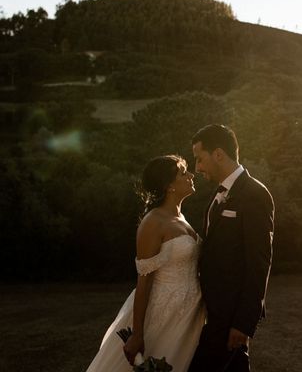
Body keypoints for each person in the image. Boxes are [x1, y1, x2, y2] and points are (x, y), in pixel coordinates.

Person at [87, 155, 205, 372]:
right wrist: (138, 333)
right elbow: (144, 281)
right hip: (161, 314)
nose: (191, 175)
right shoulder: (152, 222)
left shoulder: (180, 217)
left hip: (188, 314)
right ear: (169, 185)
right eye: (183, 172)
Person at [188, 124, 274, 372]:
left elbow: (259, 262)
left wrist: (244, 323)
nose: (197, 168)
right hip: (214, 311)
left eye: (199, 159)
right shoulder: (218, 194)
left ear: (218, 154)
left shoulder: (255, 194)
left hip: (231, 316)